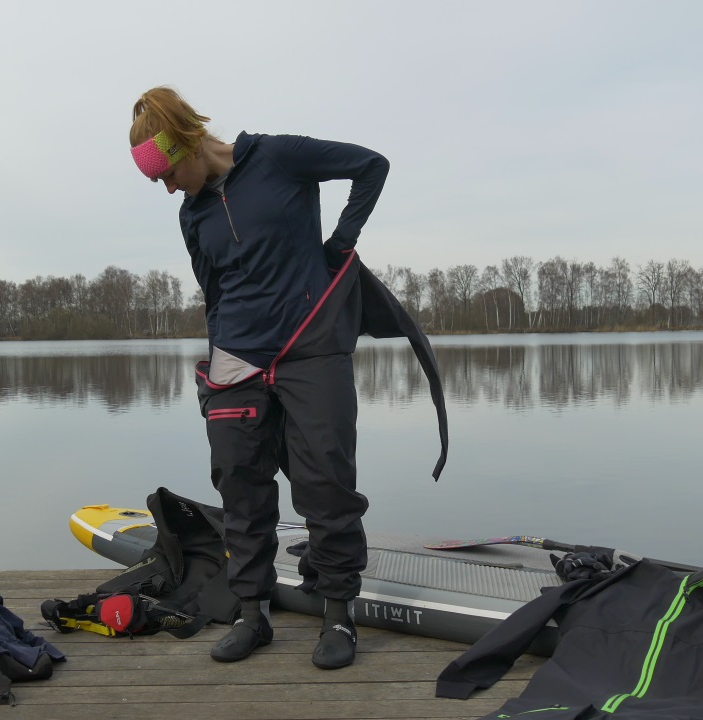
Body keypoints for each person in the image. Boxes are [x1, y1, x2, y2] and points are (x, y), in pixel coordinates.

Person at [127, 86, 396, 670]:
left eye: (168, 174)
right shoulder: (192, 215)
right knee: (240, 484)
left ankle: (338, 615)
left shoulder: (278, 158)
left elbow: (371, 166)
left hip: (309, 349)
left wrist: (341, 242)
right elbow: (213, 290)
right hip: (236, 360)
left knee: (326, 479)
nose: (169, 188)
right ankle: (253, 613)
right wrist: (221, 353)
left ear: (188, 144)